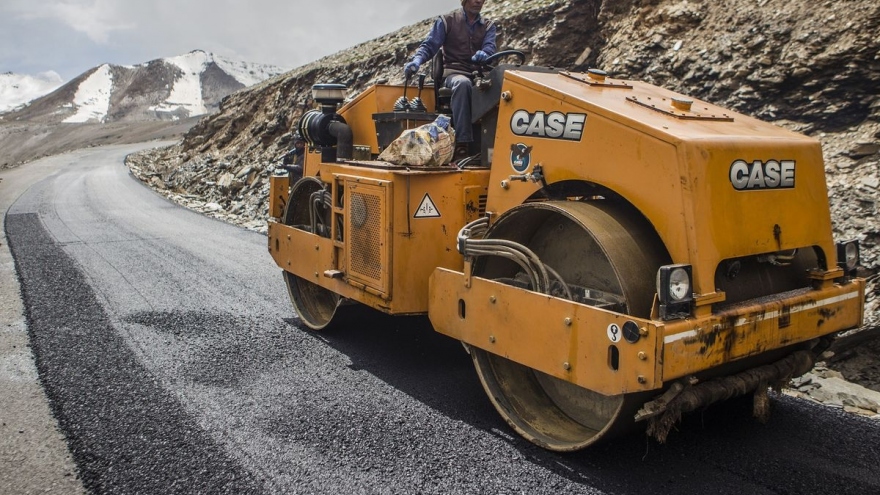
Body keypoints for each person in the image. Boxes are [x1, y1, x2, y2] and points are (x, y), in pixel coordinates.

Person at [404, 0, 496, 156]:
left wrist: (485, 53)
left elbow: (490, 47)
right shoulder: (447, 21)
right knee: (463, 84)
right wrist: (417, 61)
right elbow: (429, 46)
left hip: (478, 75)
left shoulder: (488, 26)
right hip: (454, 74)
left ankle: (494, 144)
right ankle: (463, 143)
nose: (478, 1)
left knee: (501, 86)